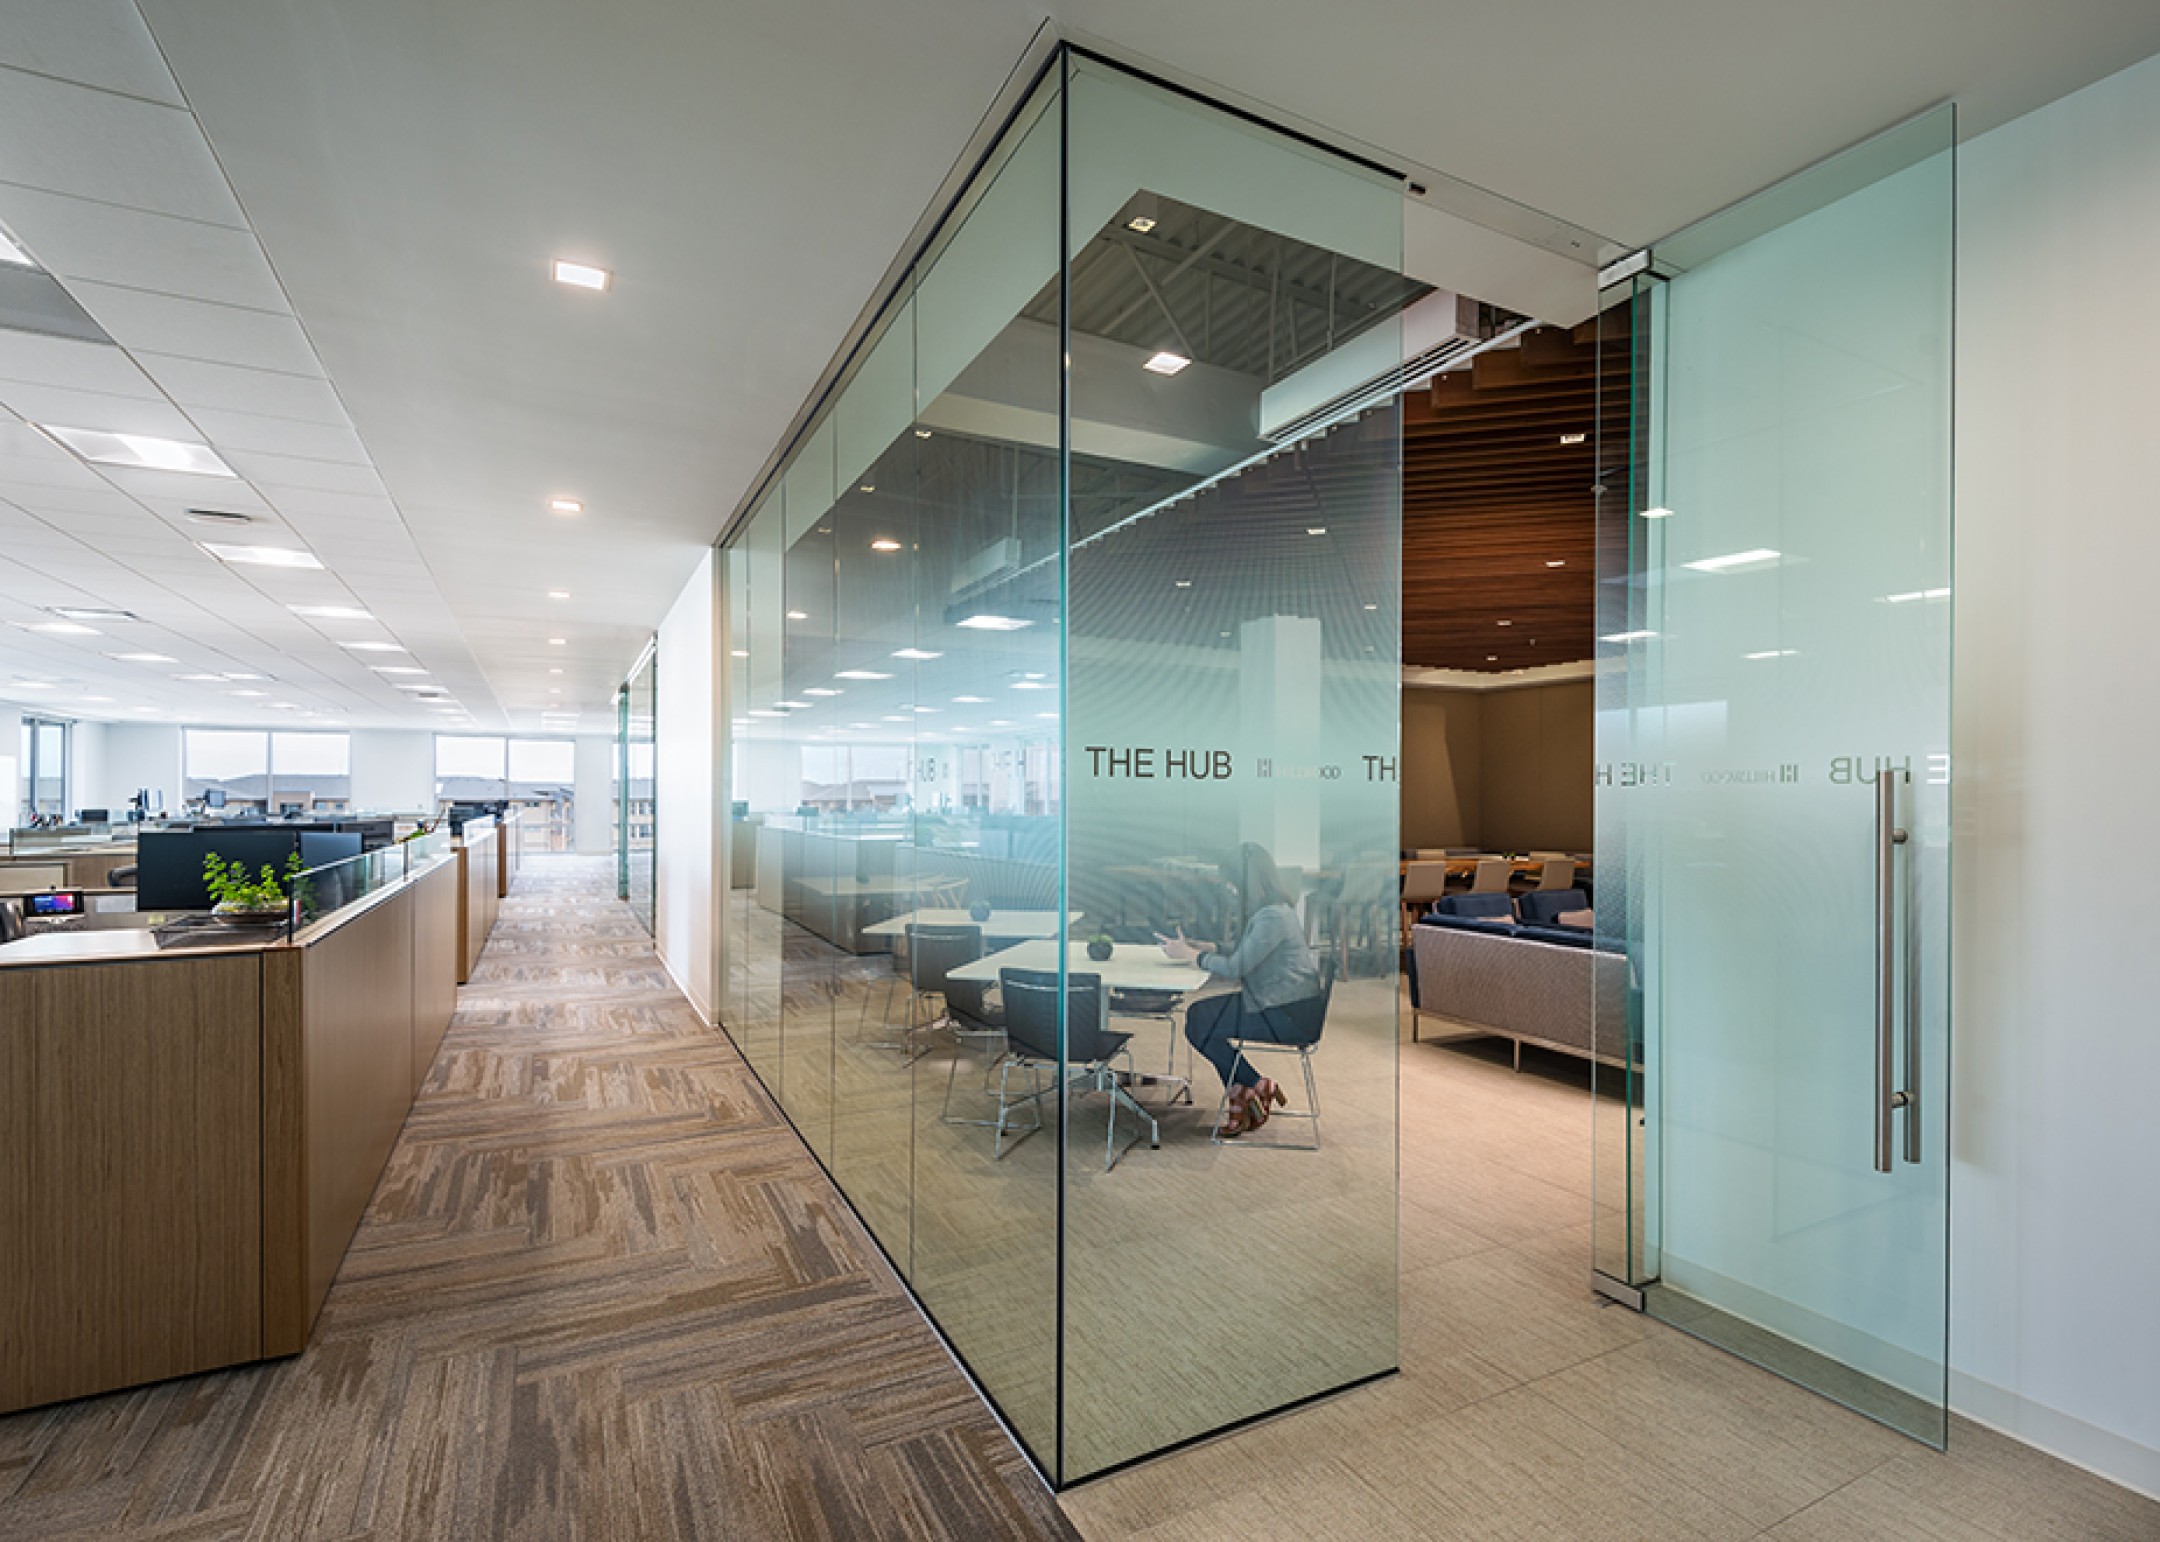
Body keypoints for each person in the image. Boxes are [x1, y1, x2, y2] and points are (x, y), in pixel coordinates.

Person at [1158, 843, 1326, 1137]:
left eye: (1234, 884)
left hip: (1287, 1014)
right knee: (1199, 1018)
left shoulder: (1271, 917)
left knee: (1200, 1023)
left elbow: (1236, 968)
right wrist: (1208, 947)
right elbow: (1247, 950)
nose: (1232, 891)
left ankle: (1252, 1086)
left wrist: (1192, 956)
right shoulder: (1272, 910)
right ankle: (1245, 1090)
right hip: (1276, 1002)